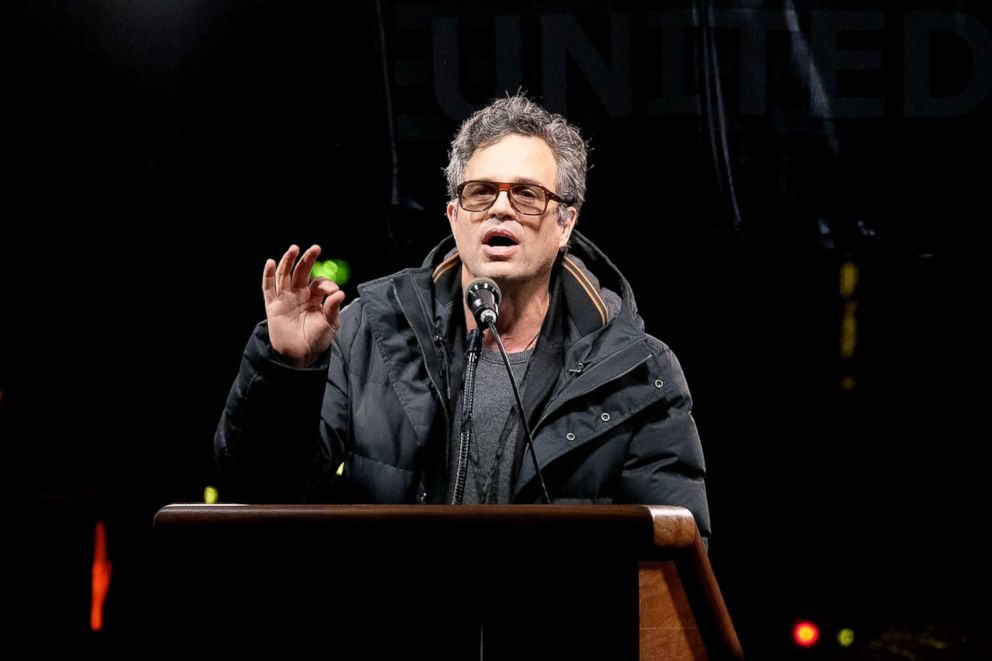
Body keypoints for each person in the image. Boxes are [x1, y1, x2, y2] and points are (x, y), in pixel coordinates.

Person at [214, 92, 711, 542]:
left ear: (566, 223)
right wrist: (288, 371)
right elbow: (259, 491)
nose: (501, 209)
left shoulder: (639, 370)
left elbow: (671, 560)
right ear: (453, 216)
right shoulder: (366, 333)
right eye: (480, 192)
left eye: (527, 195)